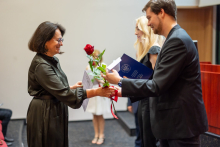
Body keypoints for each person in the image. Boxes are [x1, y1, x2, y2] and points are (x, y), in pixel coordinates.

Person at [102, 0, 208, 147]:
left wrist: (120, 81)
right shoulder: (171, 39)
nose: (149, 23)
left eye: (149, 17)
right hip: (173, 124)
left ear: (162, 13)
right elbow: (161, 82)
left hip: (181, 126)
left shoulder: (177, 40)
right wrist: (121, 92)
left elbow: (157, 85)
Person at [27, 21, 115, 147]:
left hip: (52, 108)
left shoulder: (52, 60)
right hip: (44, 112)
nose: (61, 43)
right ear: (45, 40)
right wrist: (97, 92)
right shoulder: (42, 65)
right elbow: (65, 94)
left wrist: (70, 87)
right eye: (58, 40)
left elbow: (54, 88)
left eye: (61, 39)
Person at [132, 16, 164, 147]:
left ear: (146, 30)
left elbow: (158, 81)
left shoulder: (154, 50)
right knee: (145, 140)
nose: (135, 33)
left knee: (149, 141)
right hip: (144, 101)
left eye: (138, 29)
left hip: (151, 104)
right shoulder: (145, 51)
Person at [85, 49, 110, 145]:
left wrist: (100, 79)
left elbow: (106, 80)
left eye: (97, 56)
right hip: (93, 92)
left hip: (101, 92)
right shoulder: (88, 66)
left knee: (100, 114)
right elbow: (87, 81)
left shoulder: (103, 66)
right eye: (93, 56)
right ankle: (96, 134)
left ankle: (101, 134)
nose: (95, 58)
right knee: (94, 114)